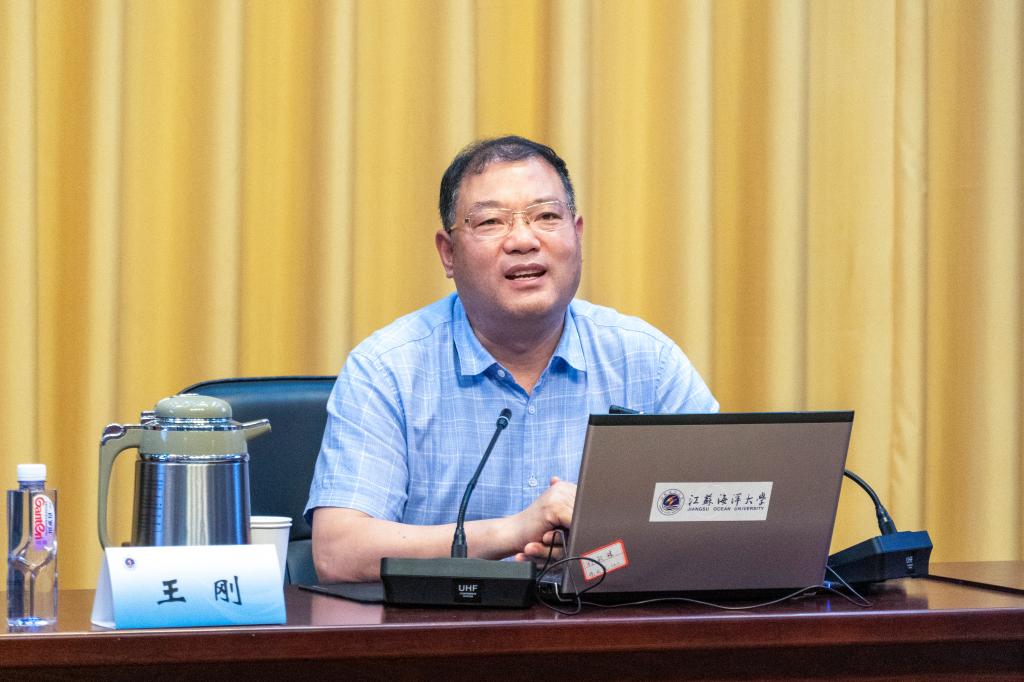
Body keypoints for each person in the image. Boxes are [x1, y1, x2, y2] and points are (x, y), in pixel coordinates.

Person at [305, 136, 718, 582]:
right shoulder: (388, 370)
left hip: (605, 623)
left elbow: (727, 523)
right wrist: (514, 530)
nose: (523, 240)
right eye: (491, 221)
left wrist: (599, 547)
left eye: (546, 216)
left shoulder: (646, 362)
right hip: (441, 626)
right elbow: (338, 553)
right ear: (448, 253)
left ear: (577, 235)